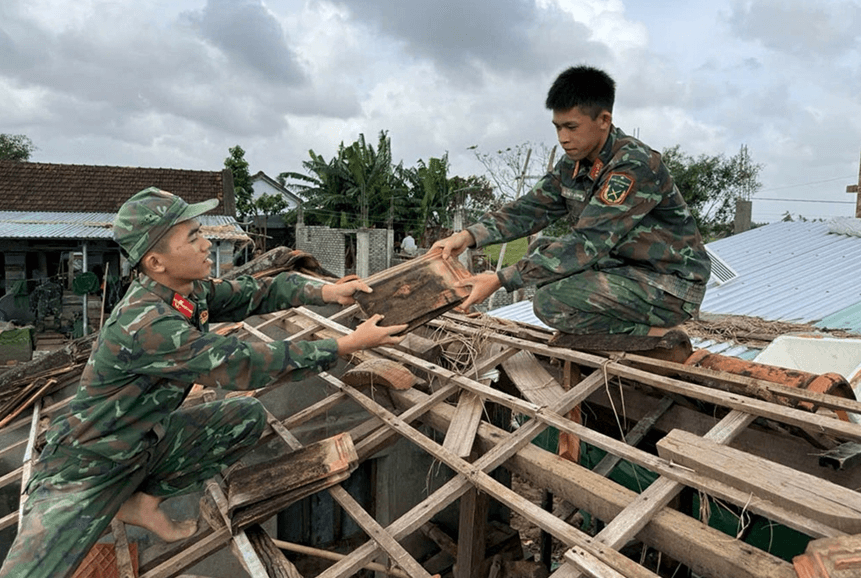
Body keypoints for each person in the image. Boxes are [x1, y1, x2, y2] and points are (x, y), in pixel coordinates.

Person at [0, 187, 406, 578]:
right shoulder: (148, 325)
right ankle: (122, 498)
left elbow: (256, 292)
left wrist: (328, 290)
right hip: (89, 465)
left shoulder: (184, 293)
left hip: (143, 441)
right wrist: (345, 344)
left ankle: (141, 501)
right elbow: (242, 364)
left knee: (245, 418)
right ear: (156, 262)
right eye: (193, 237)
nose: (206, 244)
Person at [433, 65, 711, 345]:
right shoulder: (575, 164)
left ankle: (660, 336)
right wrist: (468, 236)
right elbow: (529, 209)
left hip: (669, 285)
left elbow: (587, 243)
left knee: (550, 301)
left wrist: (499, 280)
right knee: (542, 251)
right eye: (558, 127)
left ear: (604, 120)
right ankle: (613, 327)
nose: (563, 137)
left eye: (572, 127)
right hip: (624, 269)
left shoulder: (633, 165)